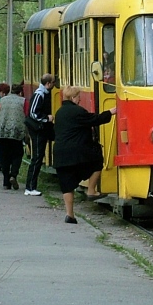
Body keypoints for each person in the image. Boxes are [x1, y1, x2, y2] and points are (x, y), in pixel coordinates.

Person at [52, 86, 113, 224]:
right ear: (73, 97)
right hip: (76, 155)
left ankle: (70, 215)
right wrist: (110, 112)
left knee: (67, 186)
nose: (79, 99)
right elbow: (94, 119)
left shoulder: (59, 112)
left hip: (60, 155)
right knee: (97, 161)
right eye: (78, 97)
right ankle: (91, 190)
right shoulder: (77, 111)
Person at [23, 73, 55, 195]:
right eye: (53, 82)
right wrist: (47, 118)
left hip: (41, 129)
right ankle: (30, 187)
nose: (54, 85)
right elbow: (33, 113)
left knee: (38, 157)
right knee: (36, 157)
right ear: (48, 84)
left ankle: (31, 187)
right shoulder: (39, 94)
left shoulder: (43, 93)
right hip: (37, 130)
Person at [0, 83, 28, 190]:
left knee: (4, 157)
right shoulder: (23, 101)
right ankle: (13, 175)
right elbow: (27, 116)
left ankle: (6, 182)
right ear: (20, 92)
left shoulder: (2, 100)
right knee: (18, 154)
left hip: (2, 132)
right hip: (16, 132)